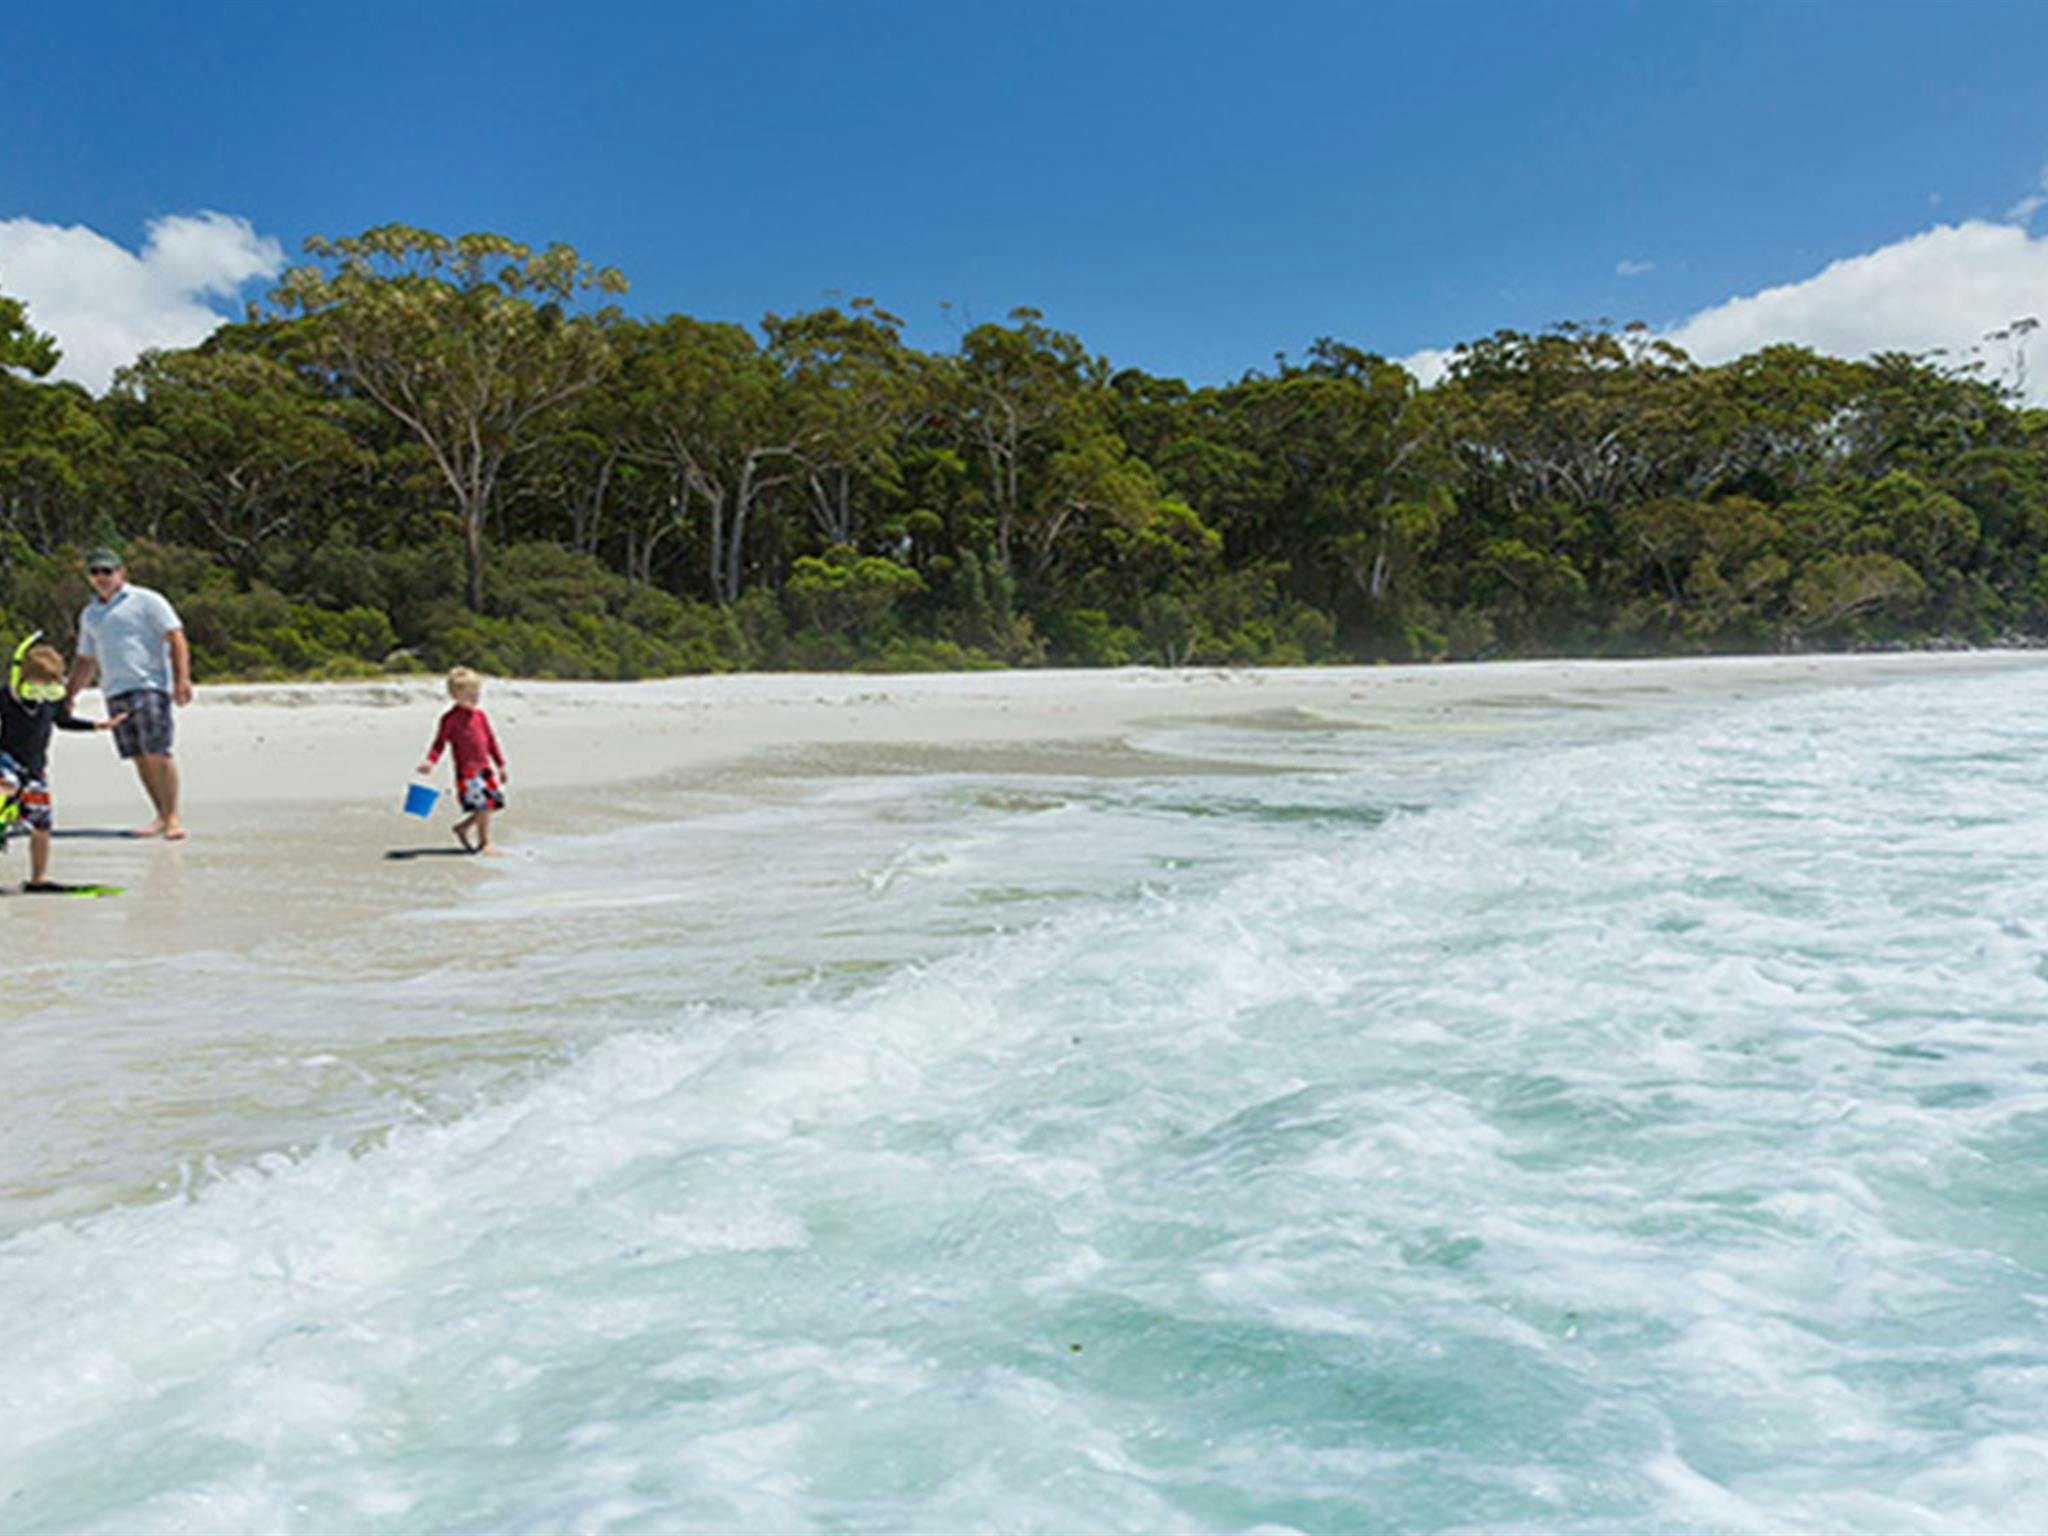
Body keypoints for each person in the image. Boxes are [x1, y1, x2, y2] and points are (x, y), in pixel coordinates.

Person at [65, 547, 192, 840]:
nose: (101, 577)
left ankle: (173, 817)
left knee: (157, 751)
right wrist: (70, 693)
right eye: (95, 572)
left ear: (121, 572)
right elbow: (86, 659)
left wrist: (182, 679)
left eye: (107, 571)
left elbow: (176, 636)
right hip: (114, 690)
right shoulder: (90, 613)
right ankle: (159, 815)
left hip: (149, 685)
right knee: (138, 756)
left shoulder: (147, 600)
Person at [1, 635, 126, 888]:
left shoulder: (53, 699)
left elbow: (63, 721)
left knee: (41, 824)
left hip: (35, 768)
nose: (43, 691)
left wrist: (96, 725)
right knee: (7, 788)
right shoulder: (9, 697)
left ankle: (38, 879)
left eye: (49, 684)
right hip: (5, 763)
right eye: (38, 683)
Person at [417, 666, 509, 854]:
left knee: (493, 805)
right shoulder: (449, 719)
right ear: (454, 695)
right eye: (469, 694)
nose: (475, 698)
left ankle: (463, 827)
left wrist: (500, 765)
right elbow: (439, 743)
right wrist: (430, 761)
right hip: (467, 771)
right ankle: (484, 843)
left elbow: (491, 741)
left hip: (485, 769)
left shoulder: (480, 716)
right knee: (484, 806)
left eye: (477, 693)